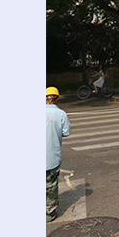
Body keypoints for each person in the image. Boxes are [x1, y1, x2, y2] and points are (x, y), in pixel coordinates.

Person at [46, 86, 71, 222]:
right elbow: (66, 132)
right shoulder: (61, 114)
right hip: (52, 156)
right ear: (57, 99)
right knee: (51, 185)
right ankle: (49, 213)